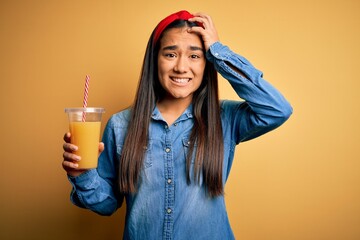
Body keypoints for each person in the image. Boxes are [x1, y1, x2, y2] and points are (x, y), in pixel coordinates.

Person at [62, 10, 292, 240]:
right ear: (155, 60)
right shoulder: (121, 125)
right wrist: (83, 175)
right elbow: (107, 205)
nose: (181, 67)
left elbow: (277, 109)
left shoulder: (224, 118)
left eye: (195, 56)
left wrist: (219, 52)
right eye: (170, 54)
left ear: (207, 63)